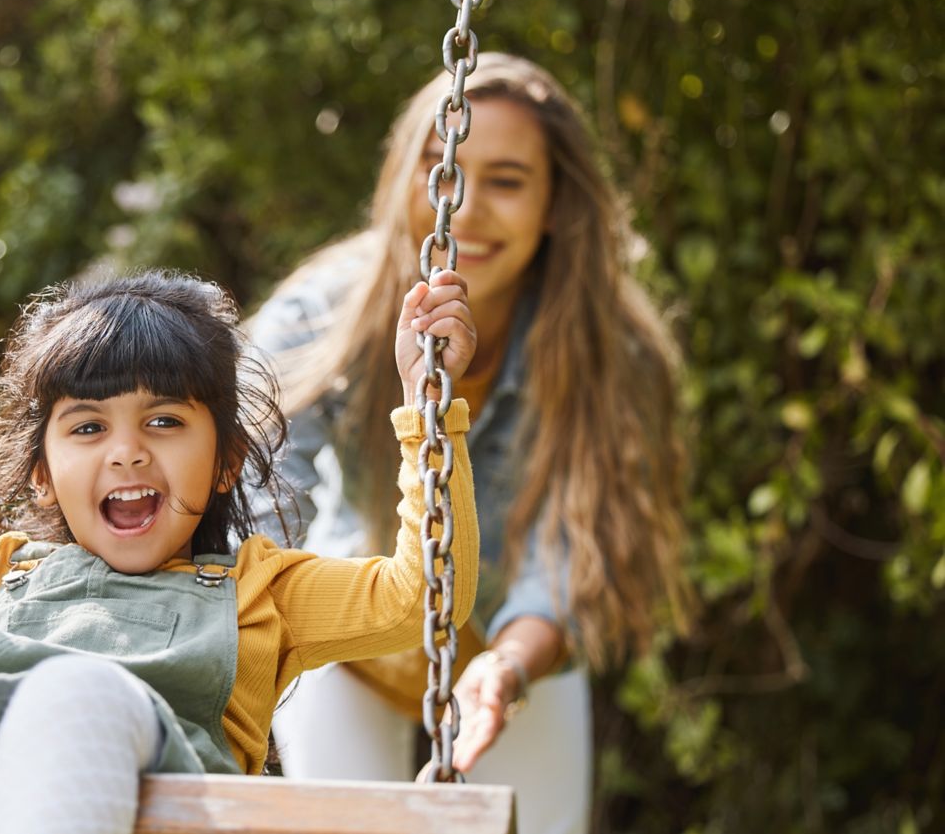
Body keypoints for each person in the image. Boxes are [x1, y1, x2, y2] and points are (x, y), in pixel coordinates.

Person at [0, 269, 481, 834]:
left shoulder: (263, 589)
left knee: (76, 691)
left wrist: (428, 412)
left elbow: (419, 599)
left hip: (152, 794)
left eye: (162, 421)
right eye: (88, 428)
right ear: (41, 470)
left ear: (224, 461)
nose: (126, 452)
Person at [248, 54, 690, 834]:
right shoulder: (327, 310)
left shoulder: (608, 350)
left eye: (509, 180)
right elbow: (256, 489)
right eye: (442, 169)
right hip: (350, 627)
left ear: (556, 201)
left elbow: (573, 550)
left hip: (513, 643)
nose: (468, 208)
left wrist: (509, 666)